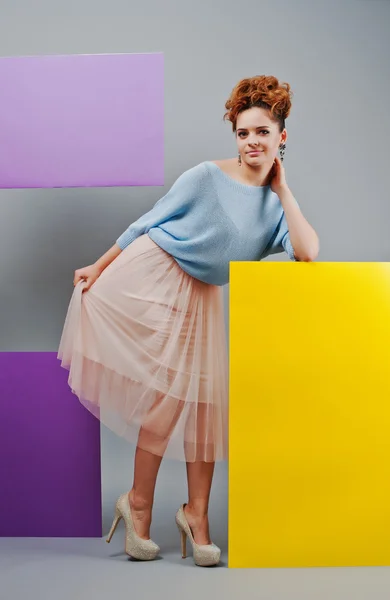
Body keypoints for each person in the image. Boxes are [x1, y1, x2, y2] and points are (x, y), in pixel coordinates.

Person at [57, 74, 319, 567]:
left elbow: (307, 253)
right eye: (243, 134)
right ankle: (137, 505)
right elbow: (148, 221)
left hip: (204, 296)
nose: (252, 143)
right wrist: (98, 264)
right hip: (160, 275)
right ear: (235, 138)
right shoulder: (205, 176)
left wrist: (284, 192)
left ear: (282, 136)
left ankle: (196, 516)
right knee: (165, 401)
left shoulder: (275, 205)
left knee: (205, 407)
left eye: (263, 132)